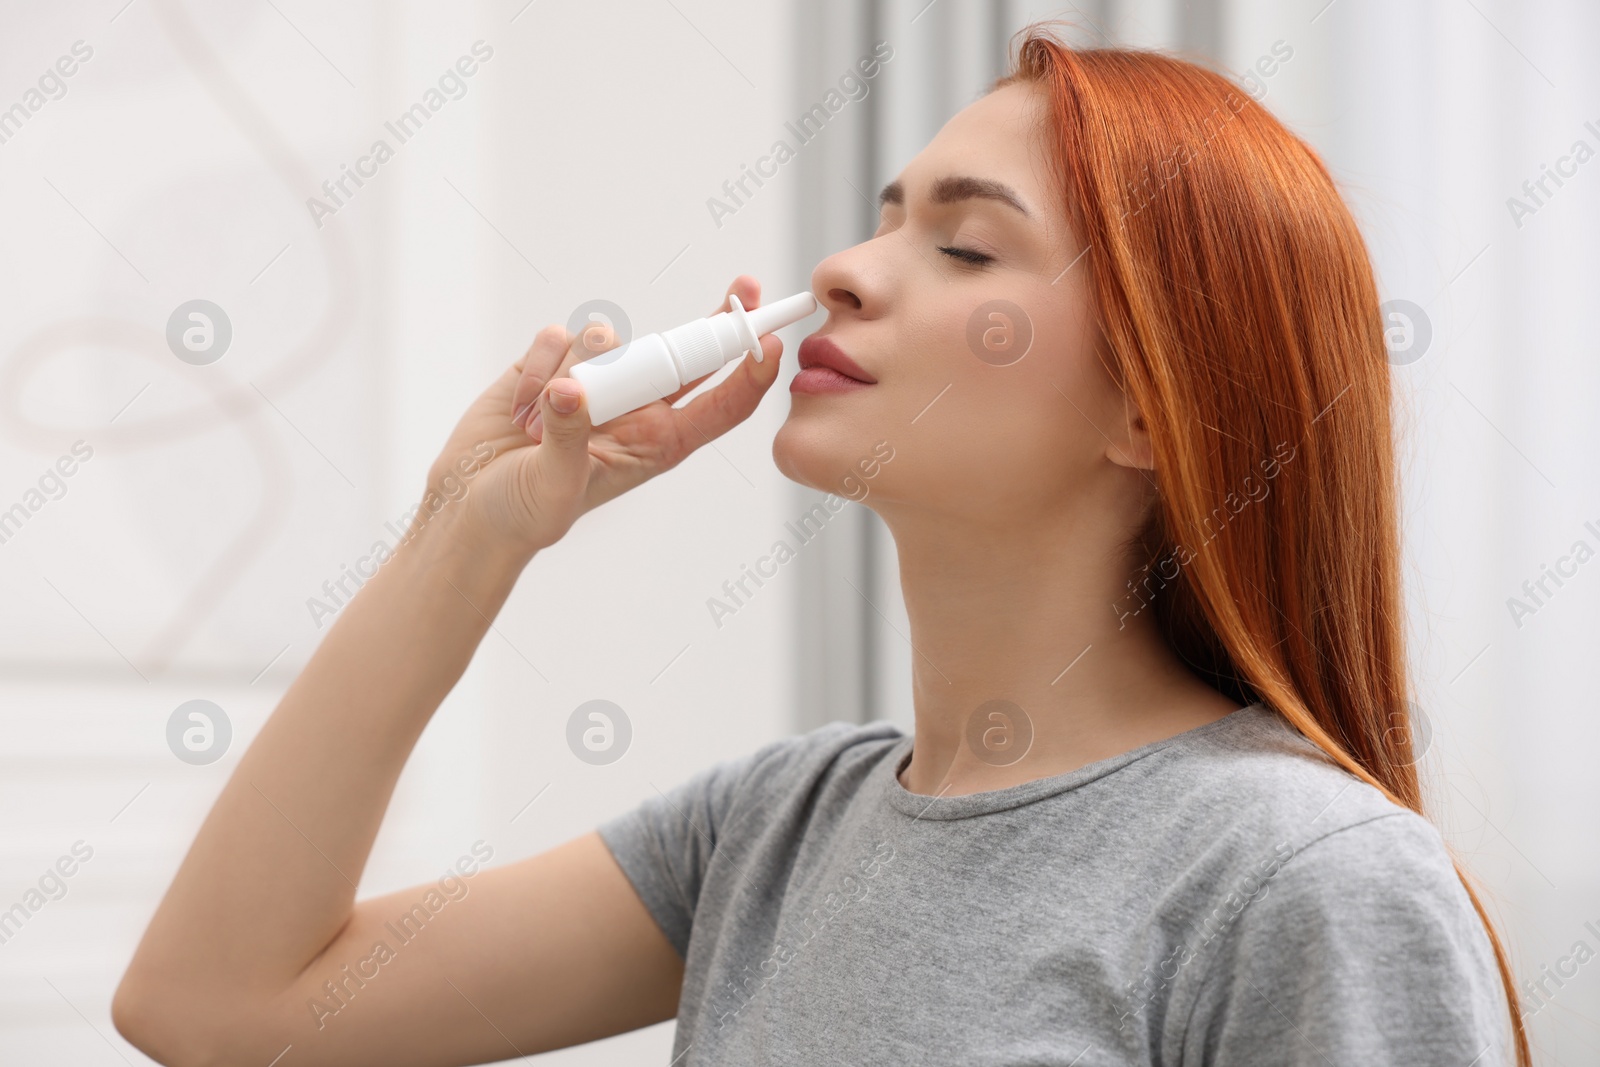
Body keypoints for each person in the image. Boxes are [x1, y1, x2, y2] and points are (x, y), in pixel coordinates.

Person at [113, 25, 1527, 1067]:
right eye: (883, 222)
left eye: (967, 251)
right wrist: (465, 538)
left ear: (1152, 410)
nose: (845, 271)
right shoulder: (775, 831)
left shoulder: (1305, 881)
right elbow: (219, 1008)